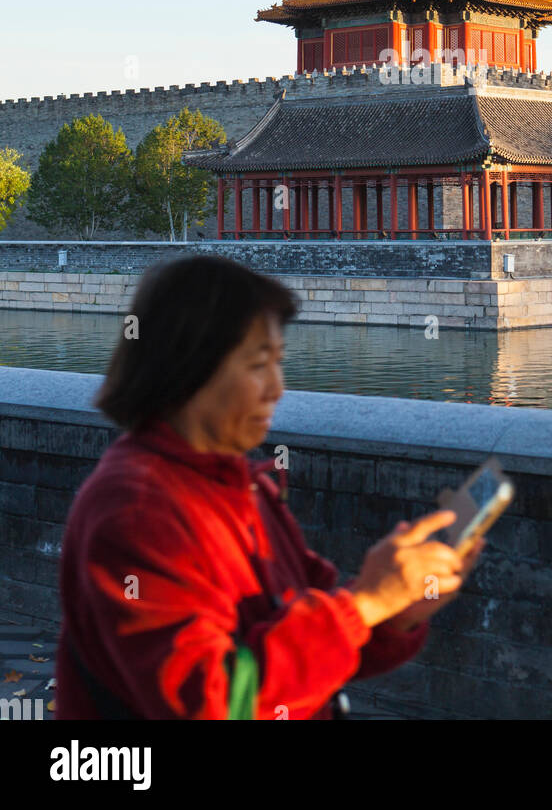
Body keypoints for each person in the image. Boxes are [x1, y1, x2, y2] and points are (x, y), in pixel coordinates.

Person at [56, 254, 482, 720]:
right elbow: (210, 701)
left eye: (279, 362)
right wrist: (366, 603)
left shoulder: (244, 487)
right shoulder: (135, 509)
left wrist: (397, 608)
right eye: (259, 365)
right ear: (189, 366)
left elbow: (314, 642)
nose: (277, 388)